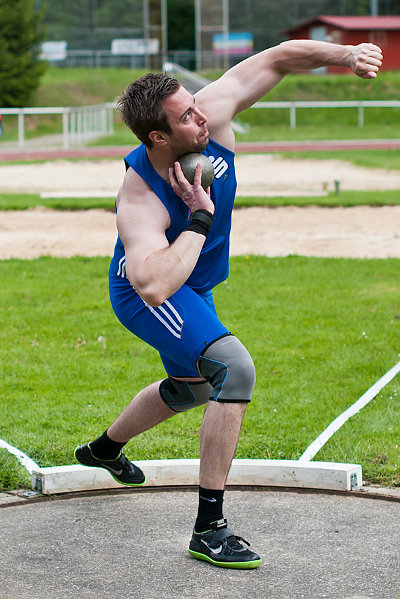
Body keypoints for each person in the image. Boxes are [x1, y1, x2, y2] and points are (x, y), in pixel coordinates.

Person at [75, 39, 382, 569]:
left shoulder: (207, 116)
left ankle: (104, 449)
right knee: (233, 370)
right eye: (186, 117)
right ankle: (209, 529)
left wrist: (347, 55)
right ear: (158, 136)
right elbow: (153, 285)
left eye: (195, 105)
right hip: (148, 292)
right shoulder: (140, 194)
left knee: (193, 388)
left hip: (193, 285)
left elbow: (277, 58)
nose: (202, 117)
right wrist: (199, 215)